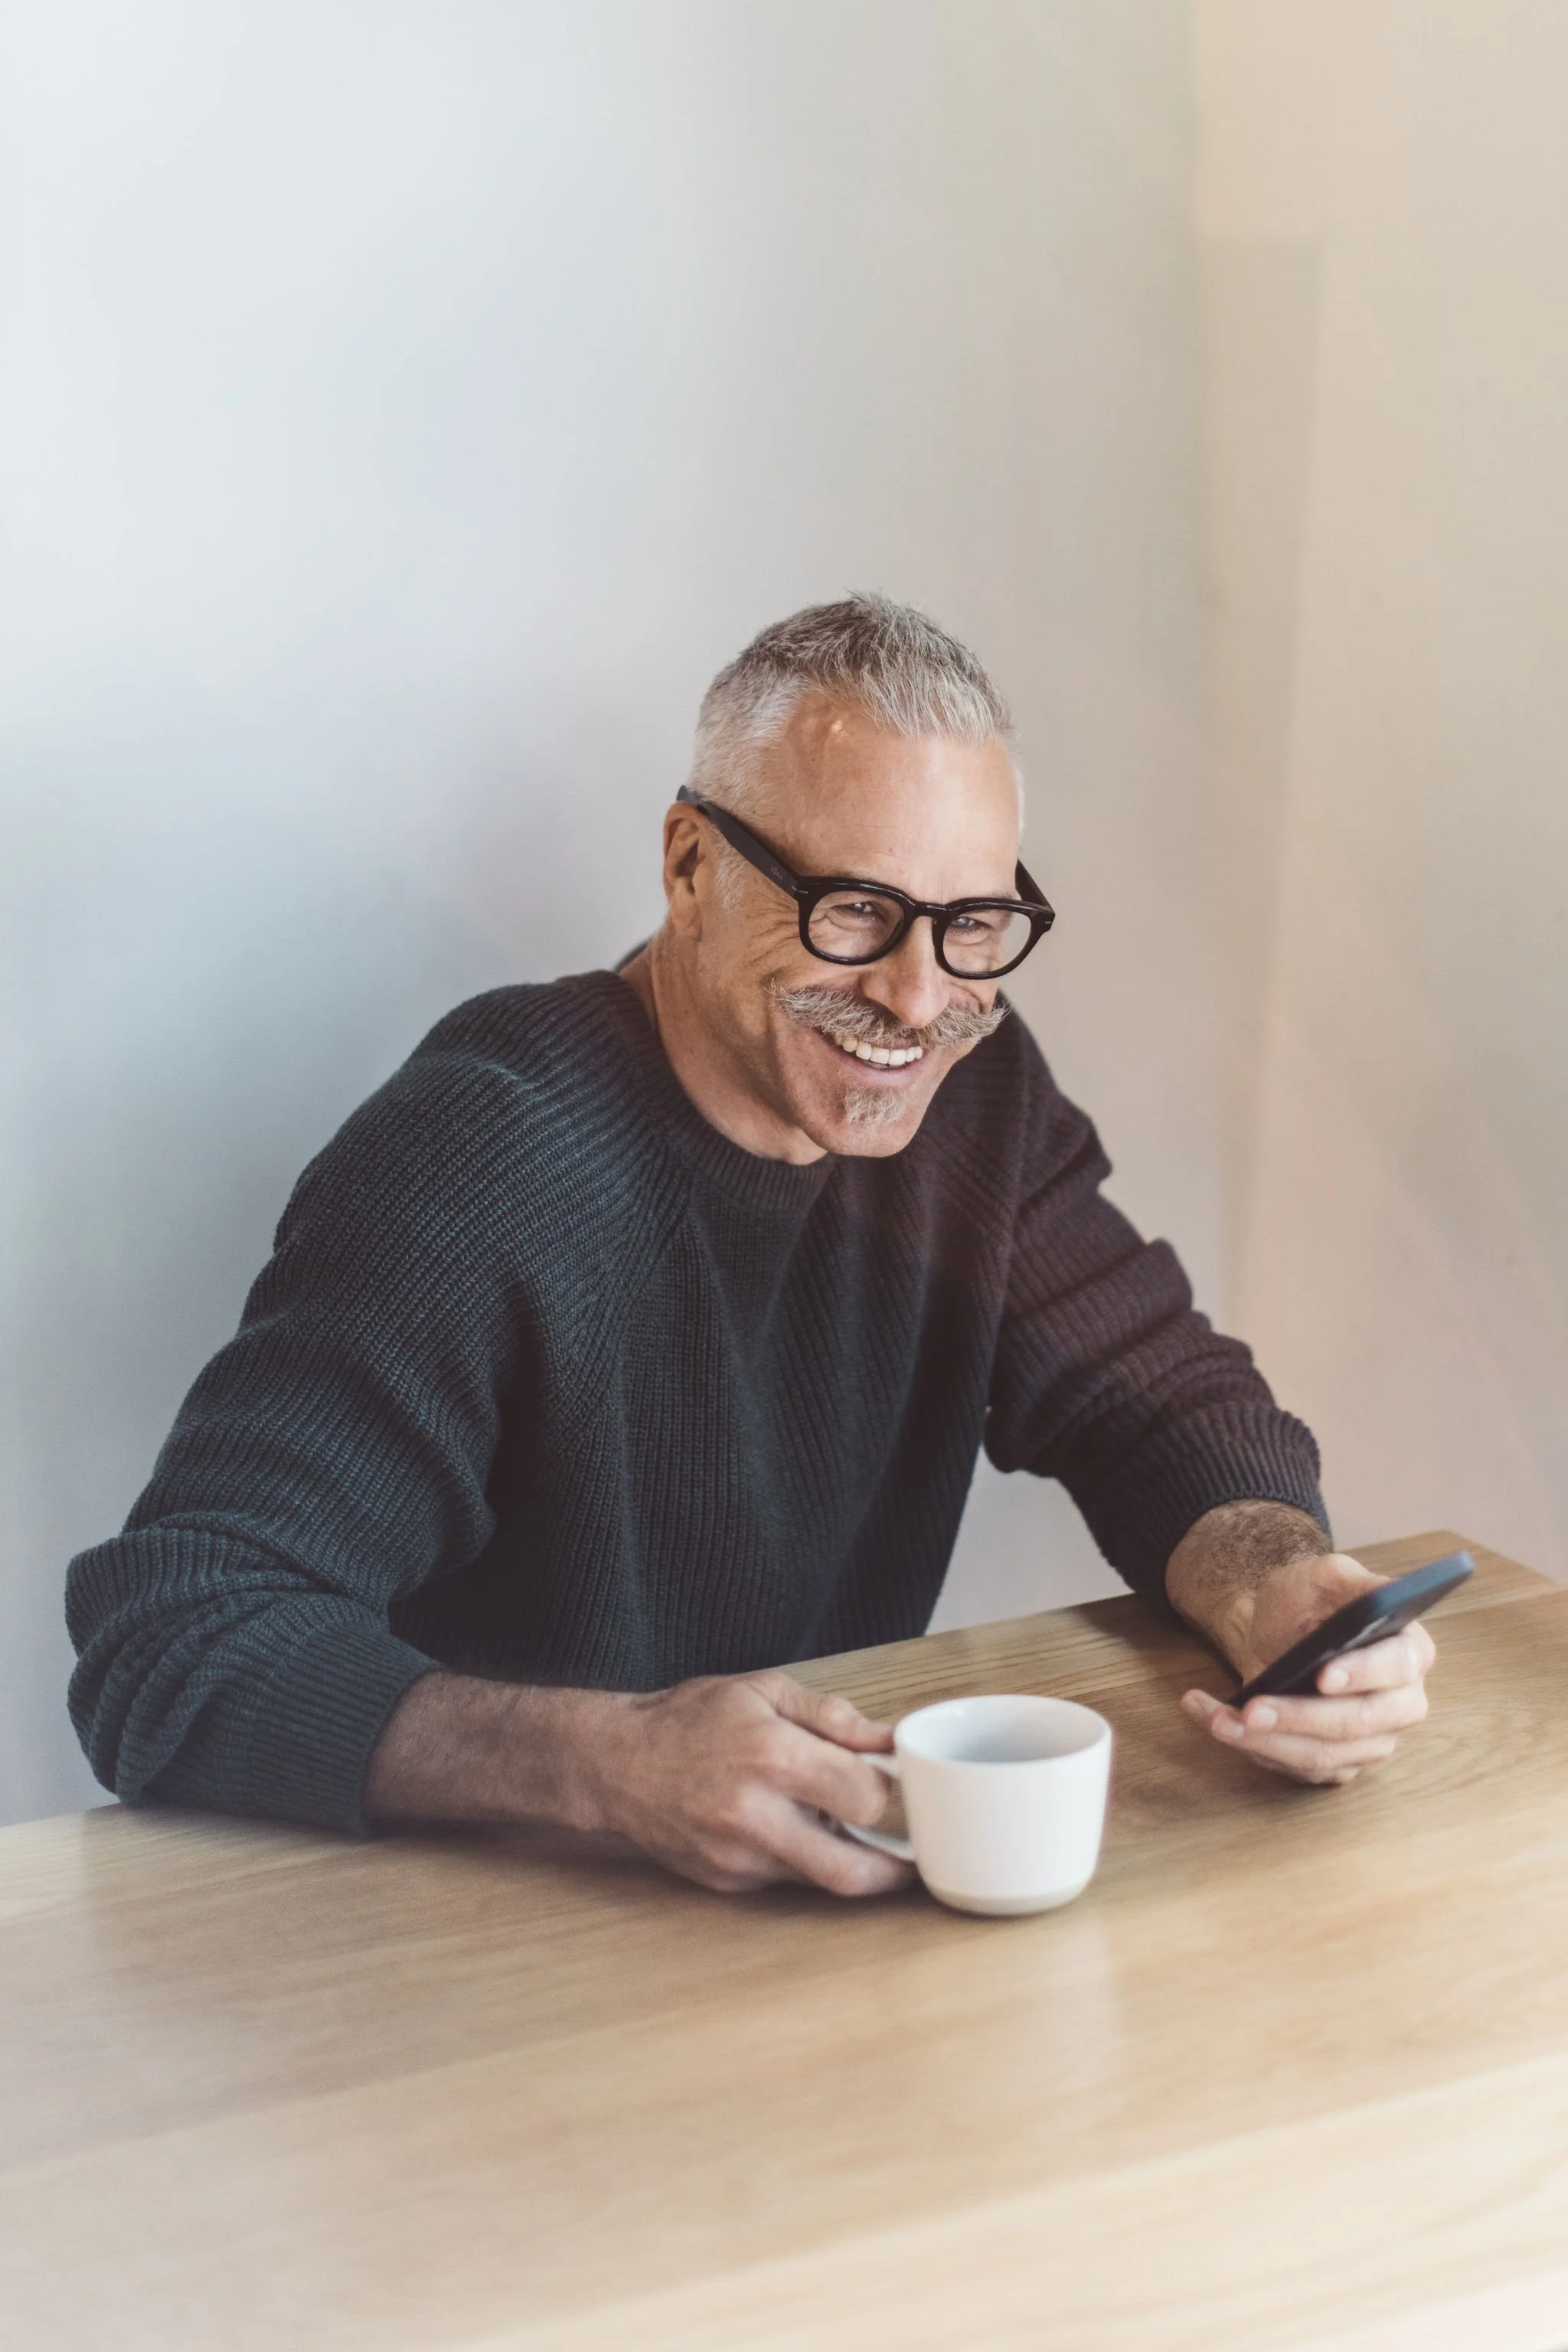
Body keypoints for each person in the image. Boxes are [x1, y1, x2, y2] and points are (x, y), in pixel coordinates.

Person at [66, 595, 1435, 1897]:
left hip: (802, 1901)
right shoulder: (481, 1161)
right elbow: (174, 1638)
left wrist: (1277, 1587)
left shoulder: (979, 1095)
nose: (919, 997)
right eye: (854, 911)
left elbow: (1158, 1401)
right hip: (483, 1936)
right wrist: (607, 1764)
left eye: (975, 928)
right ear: (689, 865)